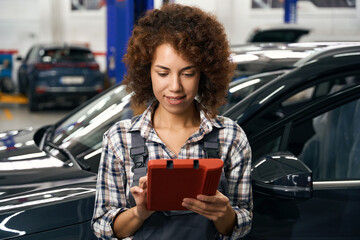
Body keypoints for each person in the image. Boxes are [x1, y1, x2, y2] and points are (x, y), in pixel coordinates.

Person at [91, 3, 252, 239]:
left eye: (187, 73)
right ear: (147, 72)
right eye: (163, 73)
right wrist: (140, 212)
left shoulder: (230, 136)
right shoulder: (120, 139)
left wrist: (224, 214)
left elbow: (243, 222)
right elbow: (103, 226)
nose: (175, 87)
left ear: (204, 74)